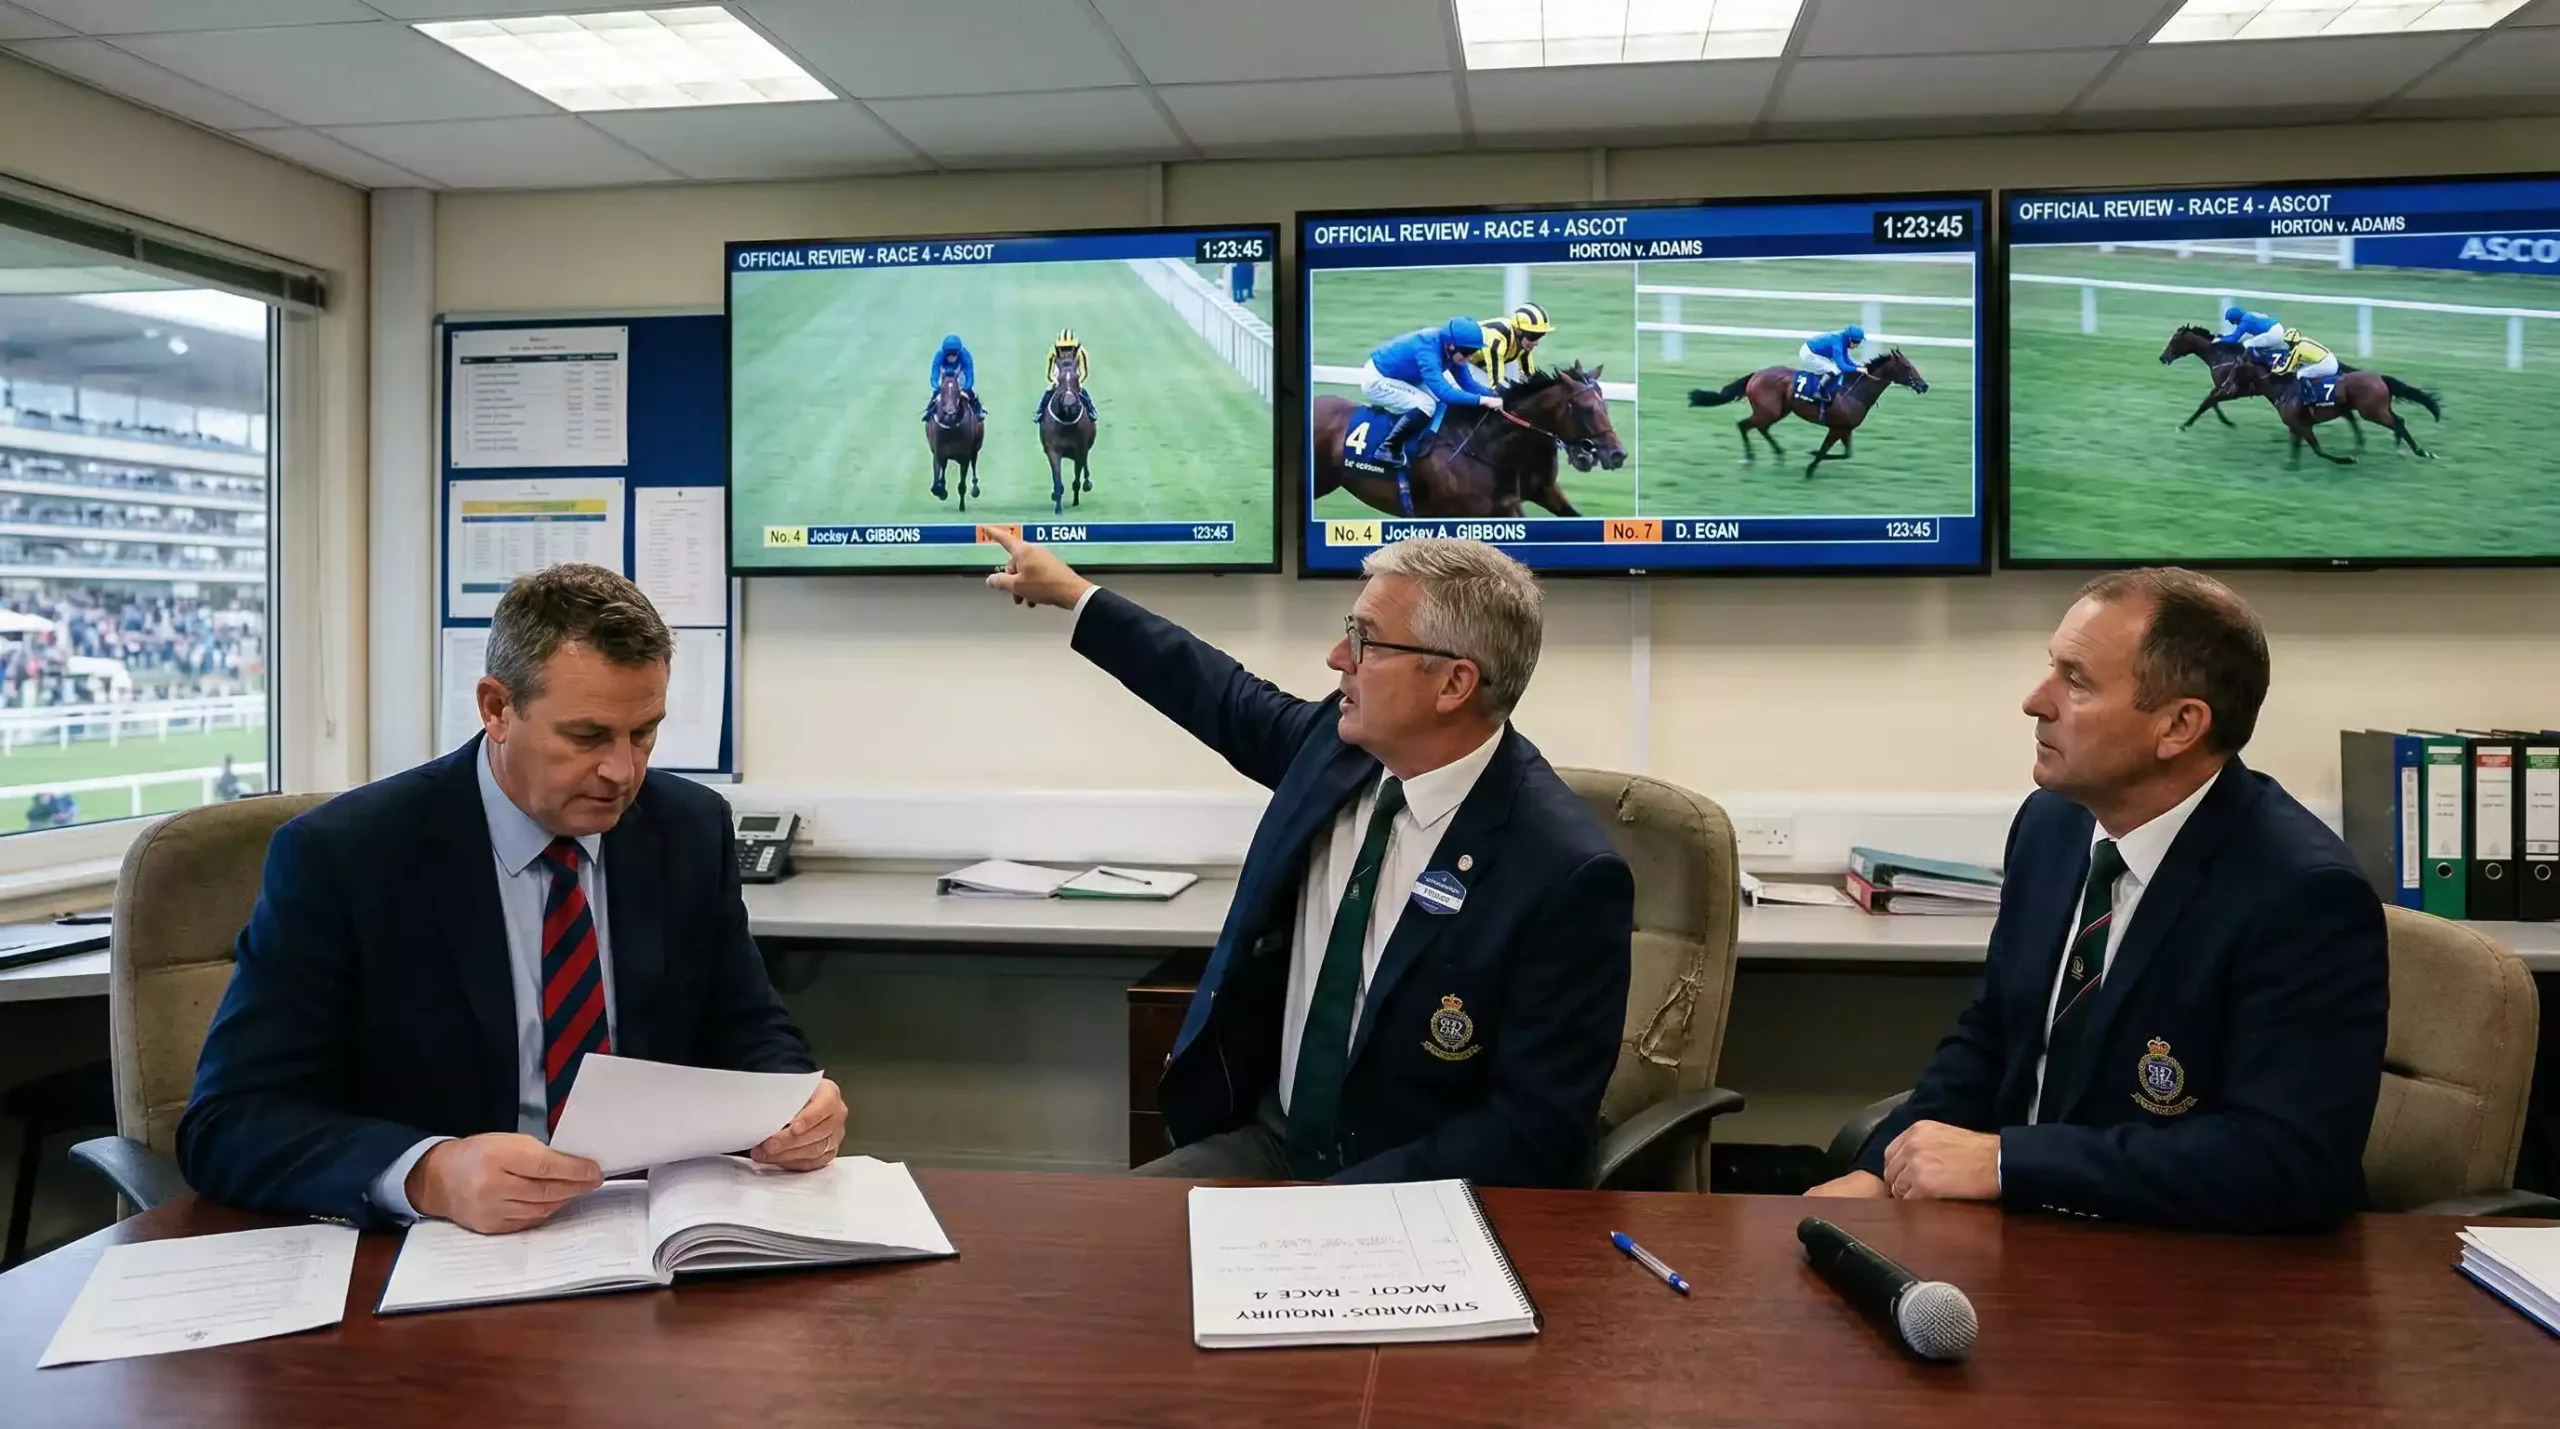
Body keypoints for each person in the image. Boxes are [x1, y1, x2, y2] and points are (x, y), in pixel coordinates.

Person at [181, 564, 844, 1233]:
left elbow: (748, 1026)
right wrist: (429, 1173)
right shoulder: (346, 856)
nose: (622, 771)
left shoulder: (687, 828)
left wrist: (796, 1103)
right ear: (497, 709)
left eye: (643, 732)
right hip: (445, 1243)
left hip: (644, 1224)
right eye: (587, 736)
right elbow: (231, 1120)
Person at [984, 530, 1630, 1188]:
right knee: (1099, 1239)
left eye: (1365, 641)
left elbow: (1532, 1128)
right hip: (1274, 1149)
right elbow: (1214, 690)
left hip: (1419, 1190)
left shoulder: (1564, 871)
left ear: (1454, 683)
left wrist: (1326, 1209)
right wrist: (1074, 594)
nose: (1336, 658)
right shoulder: (1336, 749)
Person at [1807, 568, 2387, 1234]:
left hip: (2183, 1260)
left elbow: (2284, 1162)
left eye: (2076, 681)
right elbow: (1991, 1040)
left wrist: (2009, 1163)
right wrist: (1880, 1169)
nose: (2035, 701)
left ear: (2179, 725)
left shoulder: (2301, 893)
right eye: (2050, 668)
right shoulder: (2051, 824)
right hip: (2013, 1236)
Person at [1361, 316, 1503, 474]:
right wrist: (1483, 400)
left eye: (1474, 352)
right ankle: (1387, 448)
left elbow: (1468, 384)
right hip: (1378, 378)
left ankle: (1427, 443)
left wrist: (1496, 395)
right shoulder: (1428, 350)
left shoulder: (1452, 350)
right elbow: (1445, 393)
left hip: (1404, 377)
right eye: (1467, 352)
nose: (1470, 357)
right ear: (1451, 346)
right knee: (1426, 404)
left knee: (1439, 404)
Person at [1475, 302, 1554, 385]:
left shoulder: (1523, 342)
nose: (1536, 343)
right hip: (1467, 361)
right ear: (1519, 331)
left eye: (1541, 335)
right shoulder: (1498, 336)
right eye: (1533, 336)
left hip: (1478, 365)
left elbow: (1530, 376)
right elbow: (1497, 384)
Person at [1032, 329, 1093, 425]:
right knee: (1049, 390)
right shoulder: (1052, 351)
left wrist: (1079, 382)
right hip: (1058, 370)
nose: (1066, 352)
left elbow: (1084, 372)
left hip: (1075, 370)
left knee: (1082, 390)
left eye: (1069, 348)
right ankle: (1040, 411)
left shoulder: (1081, 351)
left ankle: (1091, 410)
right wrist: (1054, 382)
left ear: (1075, 347)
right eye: (1063, 349)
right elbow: (1049, 372)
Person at [1797, 323, 1867, 405]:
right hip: (1809, 354)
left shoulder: (1843, 339)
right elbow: (1842, 366)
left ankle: (1824, 386)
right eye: (1856, 342)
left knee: (1832, 369)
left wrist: (1857, 365)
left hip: (1816, 352)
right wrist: (1857, 369)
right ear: (1849, 339)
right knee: (1835, 370)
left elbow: (1847, 359)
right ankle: (1818, 391)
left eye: (1859, 342)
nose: (1857, 345)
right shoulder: (1838, 343)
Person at [2268, 326, 2341, 404]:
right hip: (2330, 359)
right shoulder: (2303, 340)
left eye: (2289, 343)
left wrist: (2275, 369)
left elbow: (2286, 369)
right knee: (2304, 368)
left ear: (2293, 342)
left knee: (2300, 373)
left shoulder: (2297, 349)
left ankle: (2310, 397)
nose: (2288, 345)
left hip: (2327, 364)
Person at [921, 333, 980, 423]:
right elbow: (934, 374)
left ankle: (978, 411)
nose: (951, 357)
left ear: (958, 353)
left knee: (972, 394)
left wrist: (967, 387)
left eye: (954, 354)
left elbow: (969, 374)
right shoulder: (939, 356)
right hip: (944, 377)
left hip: (960, 376)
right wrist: (936, 386)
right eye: (949, 355)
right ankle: (929, 412)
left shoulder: (965, 356)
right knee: (935, 395)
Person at [2217, 305, 2289, 366]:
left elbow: (2234, 339)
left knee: (2247, 344)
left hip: (2273, 333)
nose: (2232, 323)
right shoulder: (2248, 315)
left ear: (2234, 319)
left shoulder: (2245, 322)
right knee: (2250, 341)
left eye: (2231, 321)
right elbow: (2237, 336)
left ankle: (2259, 364)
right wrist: (2224, 338)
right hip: (2276, 328)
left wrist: (2219, 340)